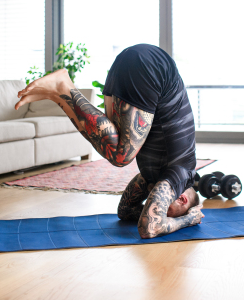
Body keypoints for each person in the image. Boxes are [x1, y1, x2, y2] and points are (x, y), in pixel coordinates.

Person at [15, 44, 204, 238]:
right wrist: (187, 220)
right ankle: (62, 87)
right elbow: (150, 228)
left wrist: (160, 217)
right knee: (121, 156)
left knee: (115, 145)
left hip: (132, 64)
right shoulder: (180, 175)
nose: (161, 212)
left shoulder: (152, 177)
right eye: (167, 213)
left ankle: (58, 93)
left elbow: (124, 211)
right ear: (181, 199)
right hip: (152, 70)